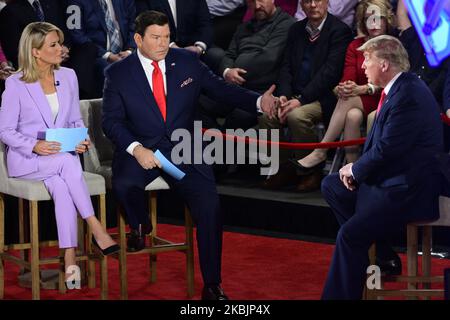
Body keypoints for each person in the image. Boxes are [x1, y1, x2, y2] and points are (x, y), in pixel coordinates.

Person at [102, 10, 277, 300]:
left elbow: (221, 90)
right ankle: (140, 224)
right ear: (137, 39)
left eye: (167, 37)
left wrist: (259, 101)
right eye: (156, 37)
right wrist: (137, 149)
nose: (162, 43)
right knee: (124, 185)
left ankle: (212, 285)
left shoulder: (186, 61)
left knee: (209, 207)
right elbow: (111, 121)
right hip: (141, 148)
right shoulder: (118, 73)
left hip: (183, 150)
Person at [321, 35, 443, 299]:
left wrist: (354, 170)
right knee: (332, 185)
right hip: (392, 181)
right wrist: (354, 173)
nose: (363, 66)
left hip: (408, 192)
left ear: (385, 64)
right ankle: (381, 250)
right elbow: (385, 151)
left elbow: (388, 149)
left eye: (368, 59)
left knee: (349, 236)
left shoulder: (408, 95)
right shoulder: (398, 90)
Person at [0, 22, 119, 282]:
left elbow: (75, 120)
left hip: (59, 158)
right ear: (35, 52)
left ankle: (69, 258)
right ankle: (96, 228)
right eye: (53, 44)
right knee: (67, 163)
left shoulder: (68, 76)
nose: (61, 49)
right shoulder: (16, 84)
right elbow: (5, 131)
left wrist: (81, 140)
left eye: (60, 43)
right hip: (27, 159)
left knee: (62, 187)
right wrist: (34, 145)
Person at [259, 0, 352, 192]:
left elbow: (330, 74)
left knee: (297, 116)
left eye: (318, 0)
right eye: (307, 1)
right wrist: (284, 96)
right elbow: (285, 67)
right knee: (268, 115)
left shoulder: (339, 31)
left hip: (322, 97)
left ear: (327, 2)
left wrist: (300, 100)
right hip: (293, 94)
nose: (312, 5)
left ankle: (310, 171)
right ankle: (283, 168)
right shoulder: (296, 30)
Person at [292, 0, 395, 171]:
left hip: (385, 98)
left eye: (379, 18)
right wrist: (344, 87)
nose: (374, 23)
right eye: (369, 18)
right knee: (352, 116)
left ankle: (321, 151)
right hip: (359, 100)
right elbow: (348, 77)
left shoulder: (393, 45)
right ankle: (350, 168)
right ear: (363, 21)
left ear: (387, 20)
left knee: (348, 101)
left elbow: (393, 81)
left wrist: (364, 88)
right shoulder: (356, 45)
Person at [200, 0, 295, 130]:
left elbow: (268, 58)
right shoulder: (244, 26)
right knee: (198, 104)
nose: (256, 6)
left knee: (236, 119)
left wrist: (235, 68)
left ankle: (221, 144)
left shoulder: (286, 24)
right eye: (251, 2)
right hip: (234, 86)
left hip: (262, 91)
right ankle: (216, 141)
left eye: (261, 0)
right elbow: (229, 54)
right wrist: (227, 71)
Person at [135, 0, 213, 56]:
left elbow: (205, 23)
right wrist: (171, 46)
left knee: (216, 56)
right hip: (162, 48)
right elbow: (146, 25)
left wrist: (199, 47)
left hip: (194, 46)